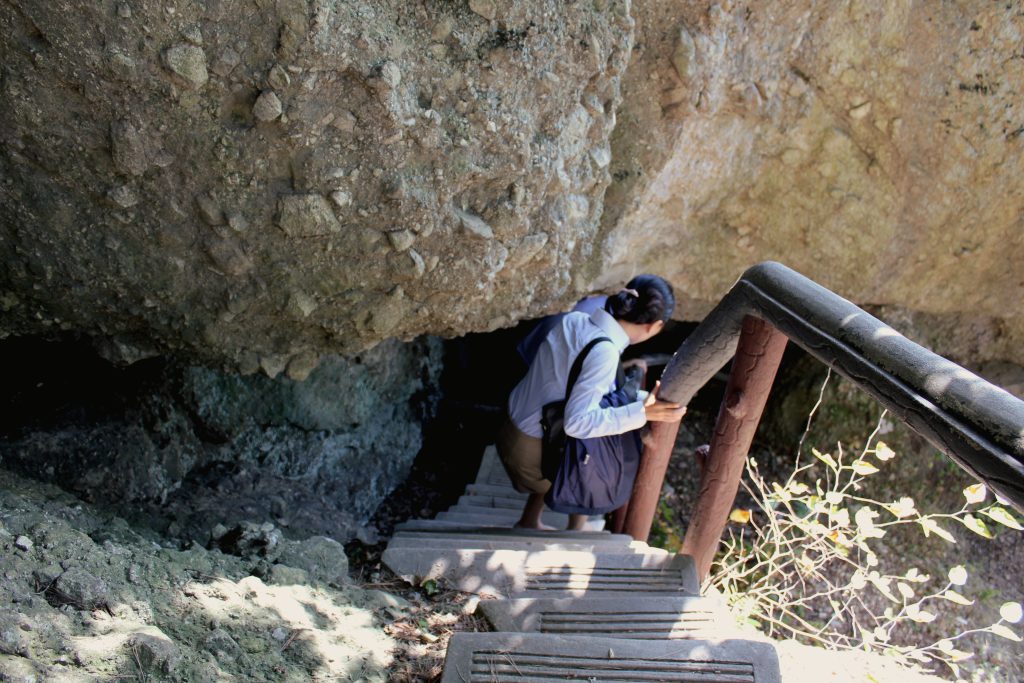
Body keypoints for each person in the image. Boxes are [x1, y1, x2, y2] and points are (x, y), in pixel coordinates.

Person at [497, 274, 687, 530]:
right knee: (594, 455)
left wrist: (642, 401)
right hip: (530, 454)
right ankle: (575, 532)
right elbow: (578, 423)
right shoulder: (605, 353)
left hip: (510, 424)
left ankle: (529, 520)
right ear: (655, 326)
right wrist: (642, 413)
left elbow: (580, 389)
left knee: (579, 434)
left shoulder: (574, 320)